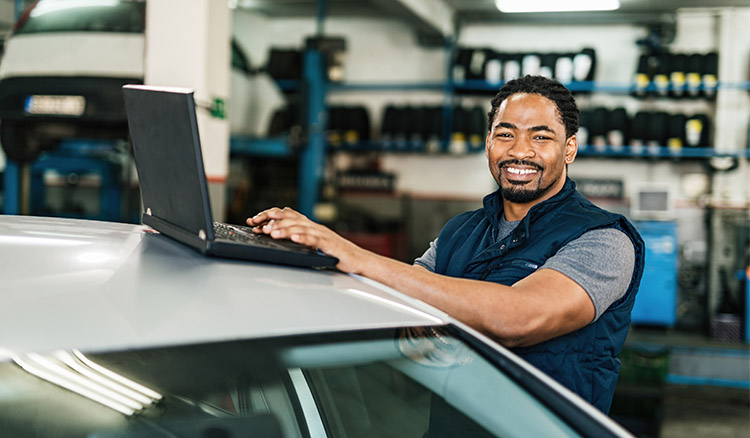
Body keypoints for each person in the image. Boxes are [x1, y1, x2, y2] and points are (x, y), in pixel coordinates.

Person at [247, 75, 645, 414]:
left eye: (540, 138)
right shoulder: (459, 231)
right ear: (488, 142)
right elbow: (406, 312)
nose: (520, 151)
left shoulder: (603, 240)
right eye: (505, 135)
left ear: (569, 149)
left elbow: (518, 319)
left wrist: (354, 256)